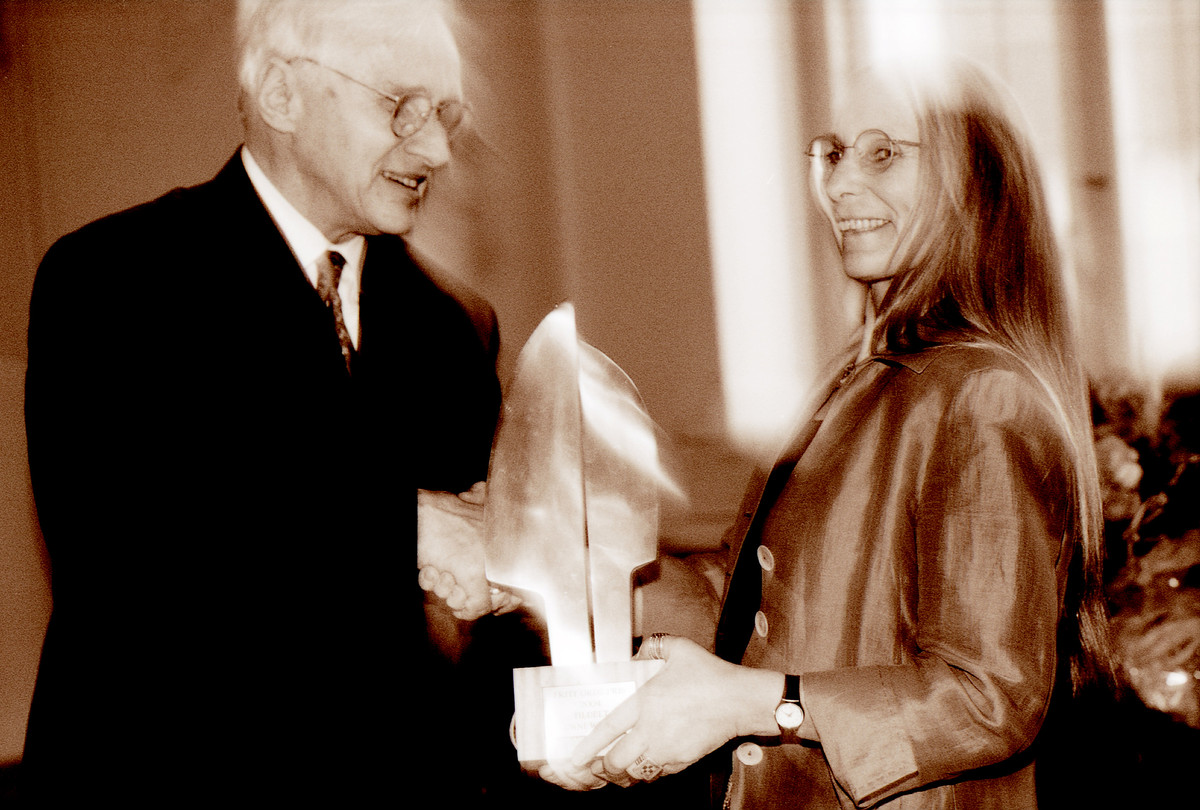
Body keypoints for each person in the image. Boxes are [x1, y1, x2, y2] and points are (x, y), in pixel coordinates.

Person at [540, 59, 1113, 808]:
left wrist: (754, 704)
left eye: (883, 153)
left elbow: (987, 698)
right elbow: (746, 605)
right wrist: (573, 571)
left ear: (975, 181)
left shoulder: (982, 395)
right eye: (834, 153)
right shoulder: (858, 376)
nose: (839, 183)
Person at [23, 0, 510, 803]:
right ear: (283, 93)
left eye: (448, 115)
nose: (435, 149)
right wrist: (409, 524)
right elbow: (134, 559)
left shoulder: (456, 326)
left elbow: (457, 629)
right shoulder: (113, 280)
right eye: (402, 106)